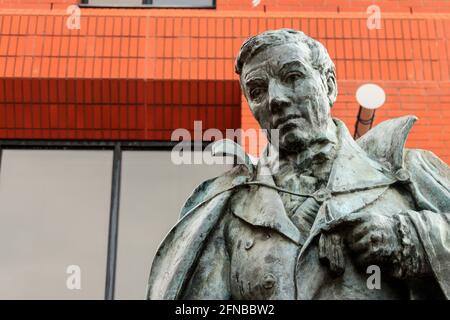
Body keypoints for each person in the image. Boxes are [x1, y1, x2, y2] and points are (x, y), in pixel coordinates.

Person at [147, 29, 450, 300]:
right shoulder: (229, 205)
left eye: (293, 78)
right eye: (257, 91)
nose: (274, 99)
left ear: (329, 85)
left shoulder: (403, 170)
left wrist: (410, 239)